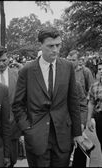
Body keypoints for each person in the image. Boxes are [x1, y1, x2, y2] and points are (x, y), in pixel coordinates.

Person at [12, 27, 83, 167]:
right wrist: (27, 128)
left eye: (58, 45)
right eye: (51, 46)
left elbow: (73, 102)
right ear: (41, 45)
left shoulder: (68, 67)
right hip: (36, 136)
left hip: (62, 135)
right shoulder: (27, 70)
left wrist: (77, 133)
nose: (55, 50)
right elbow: (17, 104)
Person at [0, 46, 21, 167]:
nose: (2, 63)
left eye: (4, 60)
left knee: (11, 161)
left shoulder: (17, 75)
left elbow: (21, 101)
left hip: (13, 126)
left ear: (8, 58)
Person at [86, 57, 102, 167]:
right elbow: (91, 103)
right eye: (100, 69)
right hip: (101, 118)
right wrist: (89, 119)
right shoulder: (94, 86)